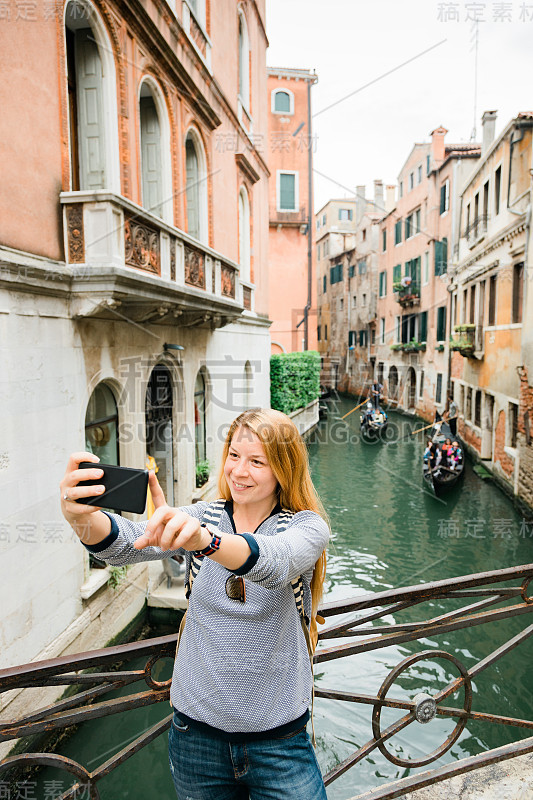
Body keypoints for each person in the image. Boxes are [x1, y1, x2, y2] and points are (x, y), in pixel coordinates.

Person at [60, 408, 329, 800]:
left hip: (280, 740)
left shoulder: (306, 527)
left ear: (284, 469)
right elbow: (125, 544)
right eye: (234, 456)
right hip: (196, 737)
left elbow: (275, 562)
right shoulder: (204, 514)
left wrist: (206, 541)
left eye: (257, 461)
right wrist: (78, 517)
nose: (239, 471)